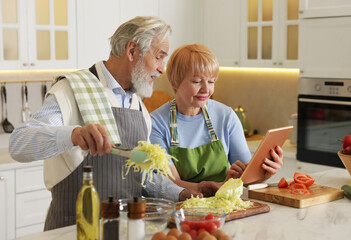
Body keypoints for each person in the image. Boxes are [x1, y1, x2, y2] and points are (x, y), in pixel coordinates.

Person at [9, 16, 200, 231]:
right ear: (132, 51)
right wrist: (72, 135)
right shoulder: (71, 89)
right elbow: (18, 144)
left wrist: (185, 193)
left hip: (126, 231)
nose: (162, 69)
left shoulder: (138, 108)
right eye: (159, 57)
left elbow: (142, 177)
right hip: (72, 231)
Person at [150, 44, 284, 193]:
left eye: (211, 81)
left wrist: (265, 173)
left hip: (224, 205)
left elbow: (247, 178)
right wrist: (209, 188)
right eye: (197, 81)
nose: (206, 90)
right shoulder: (156, 123)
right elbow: (171, 183)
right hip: (180, 208)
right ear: (175, 82)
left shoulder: (226, 116)